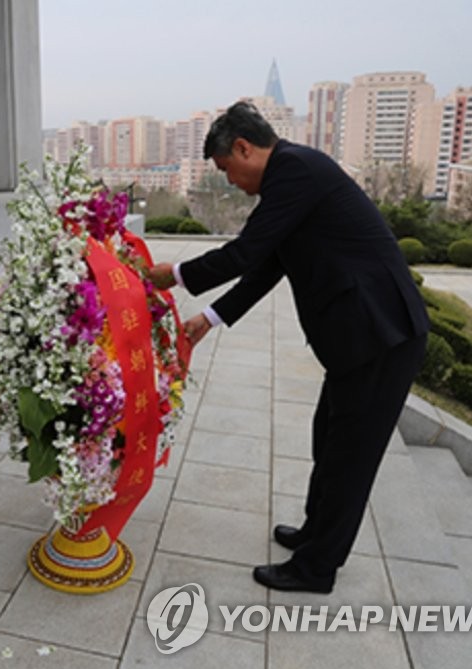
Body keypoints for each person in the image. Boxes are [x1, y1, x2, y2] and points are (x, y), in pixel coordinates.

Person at [149, 102, 429, 593]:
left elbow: (245, 252)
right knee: (329, 438)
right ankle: (314, 533)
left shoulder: (295, 171)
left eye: (226, 170)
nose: (230, 181)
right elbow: (269, 264)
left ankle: (316, 567)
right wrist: (209, 319)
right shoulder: (292, 177)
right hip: (357, 338)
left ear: (243, 148)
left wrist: (171, 276)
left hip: (382, 335)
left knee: (350, 457)